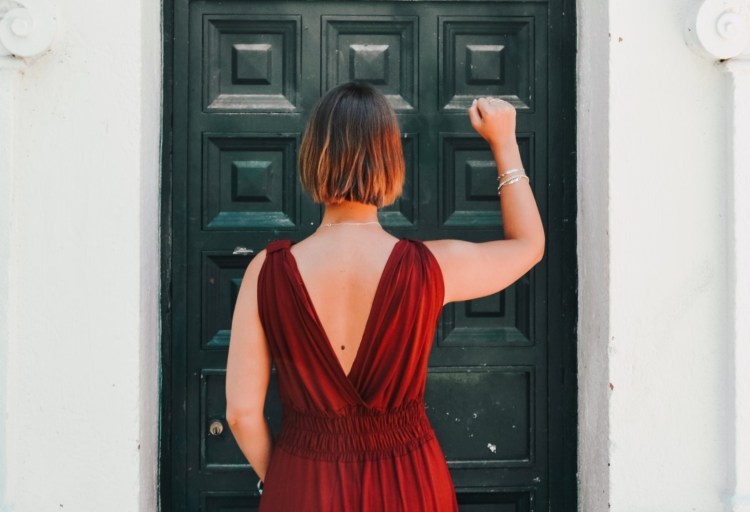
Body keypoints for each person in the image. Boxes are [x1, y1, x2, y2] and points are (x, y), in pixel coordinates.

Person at [225, 82, 544, 511]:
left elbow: (241, 415)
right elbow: (528, 245)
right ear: (390, 161)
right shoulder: (429, 268)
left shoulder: (266, 272)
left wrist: (290, 481)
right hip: (410, 484)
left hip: (302, 487)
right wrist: (504, 143)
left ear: (314, 157)